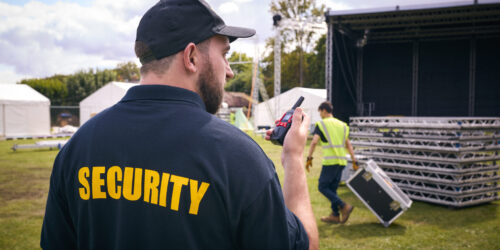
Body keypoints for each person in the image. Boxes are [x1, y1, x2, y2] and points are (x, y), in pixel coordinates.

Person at [40, 0, 318, 249]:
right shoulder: (237, 157)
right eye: (225, 54)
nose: (230, 71)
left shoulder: (77, 148)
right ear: (192, 57)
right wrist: (293, 158)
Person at [305, 101, 357, 224]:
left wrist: (309, 158)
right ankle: (335, 215)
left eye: (320, 112)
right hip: (342, 161)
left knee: (322, 186)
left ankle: (344, 206)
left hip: (330, 161)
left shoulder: (321, 124)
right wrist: (354, 161)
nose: (320, 115)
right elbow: (348, 144)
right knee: (332, 189)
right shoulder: (342, 125)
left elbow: (314, 142)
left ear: (323, 110)